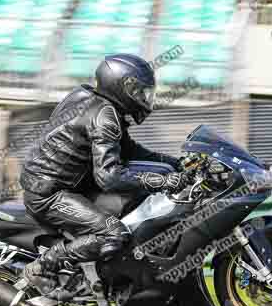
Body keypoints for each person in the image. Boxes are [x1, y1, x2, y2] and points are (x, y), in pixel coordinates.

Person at [20, 54, 187, 291]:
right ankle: (44, 266)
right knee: (114, 233)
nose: (145, 98)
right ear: (120, 86)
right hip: (50, 195)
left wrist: (176, 163)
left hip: (64, 185)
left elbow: (130, 150)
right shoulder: (104, 117)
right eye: (139, 91)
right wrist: (162, 181)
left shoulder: (95, 103)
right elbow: (108, 176)